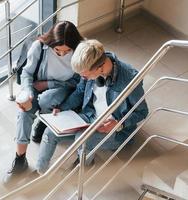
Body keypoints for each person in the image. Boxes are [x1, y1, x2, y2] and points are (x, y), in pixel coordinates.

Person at [36, 39, 149, 173]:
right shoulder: (90, 72)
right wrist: (62, 108)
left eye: (85, 74)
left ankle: (85, 165)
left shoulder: (130, 79)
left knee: (82, 140)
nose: (82, 77)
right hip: (88, 117)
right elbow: (79, 92)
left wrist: (119, 124)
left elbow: (142, 112)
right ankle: (40, 172)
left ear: (99, 67)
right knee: (50, 132)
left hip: (114, 129)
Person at [4, 21, 83, 182]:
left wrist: (49, 84)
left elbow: (78, 82)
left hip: (63, 88)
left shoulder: (80, 51)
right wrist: (27, 92)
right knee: (24, 113)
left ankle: (45, 122)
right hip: (36, 87)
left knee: (48, 99)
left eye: (67, 51)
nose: (62, 54)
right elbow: (26, 73)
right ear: (52, 43)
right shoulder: (39, 47)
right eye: (58, 50)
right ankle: (20, 159)